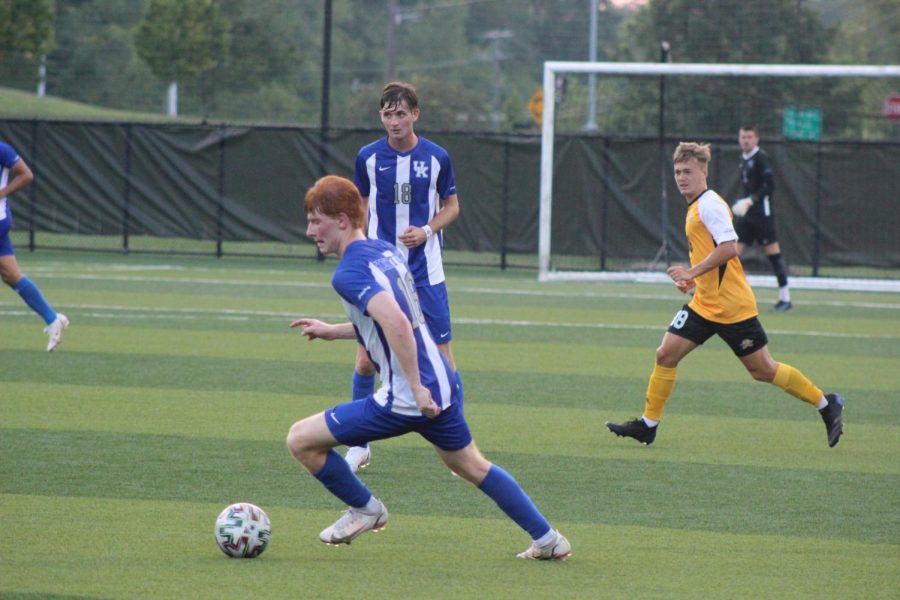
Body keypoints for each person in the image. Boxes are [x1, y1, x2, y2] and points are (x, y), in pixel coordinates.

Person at [286, 175, 570, 560]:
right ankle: (548, 539)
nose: (309, 230)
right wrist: (330, 331)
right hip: (442, 381)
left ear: (341, 219)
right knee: (472, 466)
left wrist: (416, 389)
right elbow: (385, 321)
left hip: (408, 395)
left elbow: (398, 324)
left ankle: (366, 510)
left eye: (315, 220)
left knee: (301, 440)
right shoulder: (382, 251)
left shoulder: (349, 272)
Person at [605, 142, 843, 448]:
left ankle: (827, 404)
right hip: (704, 304)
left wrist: (691, 272)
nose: (681, 177)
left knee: (763, 370)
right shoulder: (694, 206)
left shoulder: (710, 205)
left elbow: (729, 248)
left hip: (733, 308)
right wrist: (695, 281)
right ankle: (648, 425)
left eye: (688, 171)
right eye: (677, 172)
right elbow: (710, 253)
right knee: (665, 354)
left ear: (704, 171)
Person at [342, 81, 462, 472]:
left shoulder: (437, 157)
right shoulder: (368, 158)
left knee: (443, 361)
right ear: (381, 116)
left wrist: (426, 230)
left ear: (415, 114)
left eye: (401, 113)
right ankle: (359, 445)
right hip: (382, 274)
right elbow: (359, 208)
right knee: (364, 360)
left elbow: (452, 206)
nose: (394, 121)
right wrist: (357, 252)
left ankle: (458, 441)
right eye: (388, 114)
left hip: (426, 272)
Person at [0, 141, 68, 351]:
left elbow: (26, 174)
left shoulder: (2, 149)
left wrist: (2, 193)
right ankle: (53, 319)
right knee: (11, 275)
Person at [731, 125, 792, 311]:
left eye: (749, 137)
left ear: (756, 139)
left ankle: (785, 298)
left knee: (774, 255)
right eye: (743, 137)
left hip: (762, 216)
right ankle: (736, 297)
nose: (746, 140)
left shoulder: (761, 158)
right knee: (732, 256)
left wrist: (751, 200)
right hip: (746, 217)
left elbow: (770, 185)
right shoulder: (743, 159)